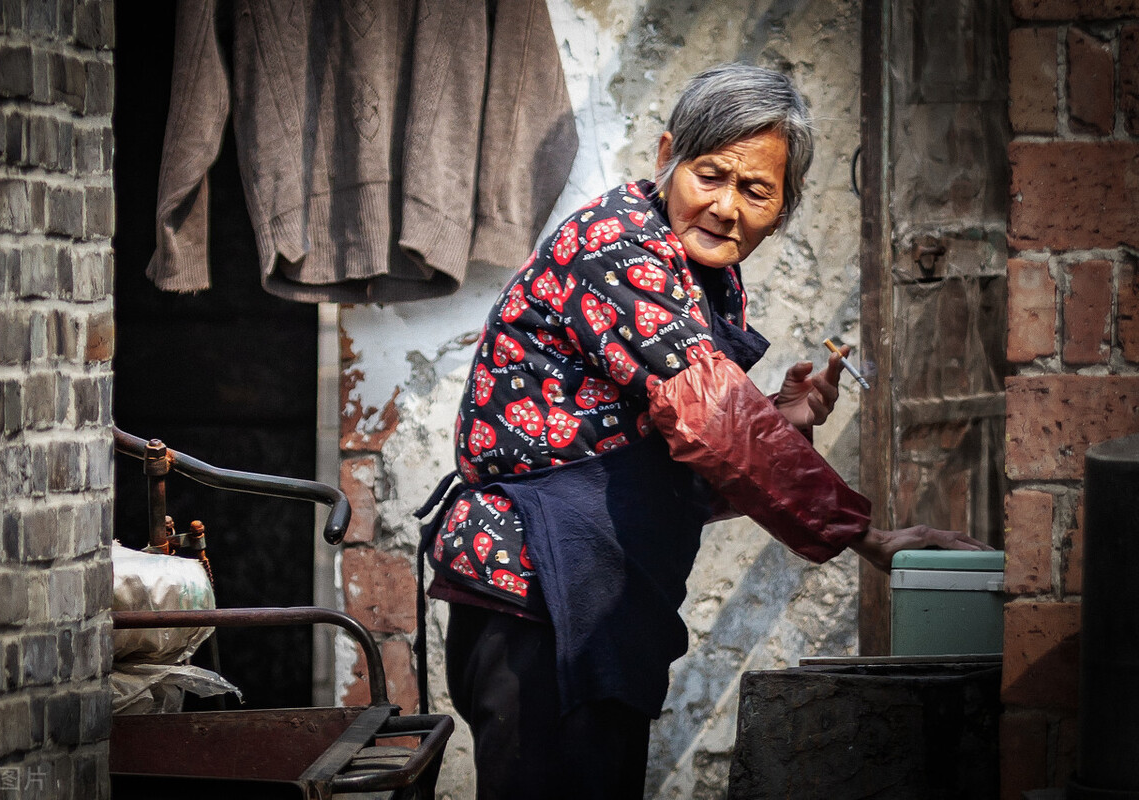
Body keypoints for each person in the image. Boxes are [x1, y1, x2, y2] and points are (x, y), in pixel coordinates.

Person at [415, 63, 990, 799]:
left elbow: (665, 463)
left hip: (597, 596)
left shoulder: (702, 277)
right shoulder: (616, 245)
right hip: (542, 596)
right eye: (710, 176)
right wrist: (866, 536)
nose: (724, 208)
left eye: (754, 191)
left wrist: (778, 425)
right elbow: (710, 423)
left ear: (782, 209)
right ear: (667, 157)